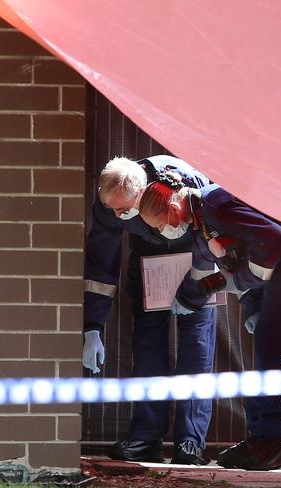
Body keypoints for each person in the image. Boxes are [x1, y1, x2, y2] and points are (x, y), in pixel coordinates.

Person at [138, 175, 281, 471]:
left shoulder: (215, 205)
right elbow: (207, 271)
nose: (164, 231)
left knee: (275, 352)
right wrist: (196, 297)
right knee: (267, 349)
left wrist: (239, 281)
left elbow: (271, 242)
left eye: (160, 225)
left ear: (175, 211)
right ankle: (263, 438)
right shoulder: (204, 217)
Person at [83, 155, 218, 465]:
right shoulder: (109, 199)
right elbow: (102, 259)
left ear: (144, 193)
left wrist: (198, 288)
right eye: (114, 210)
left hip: (195, 261)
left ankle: (189, 442)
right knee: (147, 350)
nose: (118, 214)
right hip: (148, 266)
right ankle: (146, 436)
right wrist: (93, 326)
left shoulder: (186, 180)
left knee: (196, 349)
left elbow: (214, 233)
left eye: (124, 210)